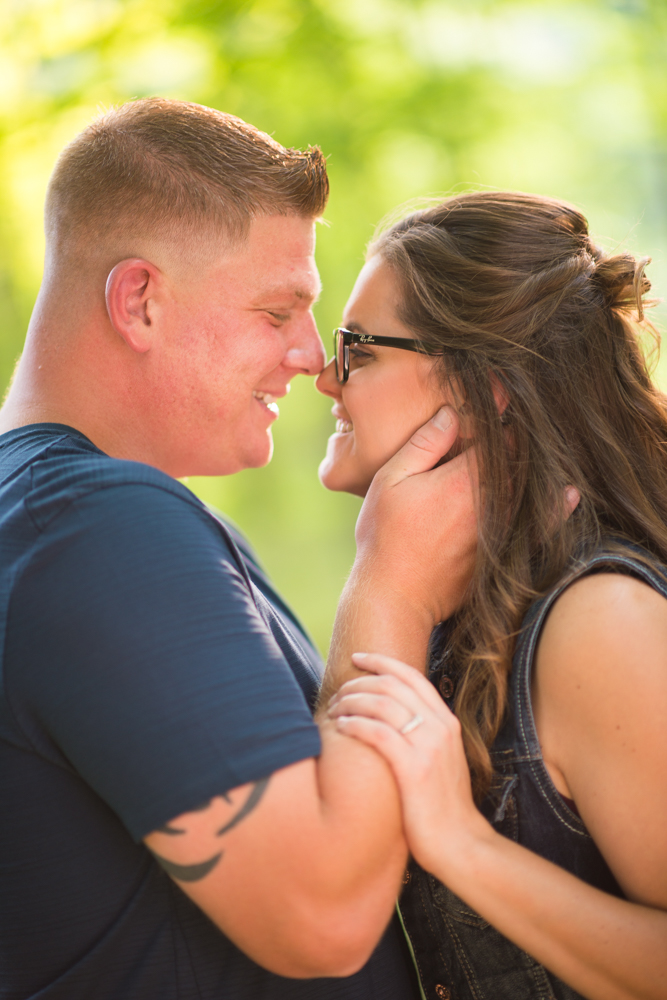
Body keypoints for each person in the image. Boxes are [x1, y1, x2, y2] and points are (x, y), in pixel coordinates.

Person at [0, 99, 479, 999]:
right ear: (139, 300)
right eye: (276, 311)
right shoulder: (93, 525)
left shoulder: (44, 512)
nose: (311, 355)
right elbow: (321, 919)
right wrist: (395, 581)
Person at [316, 191, 667, 1000]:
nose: (324, 378)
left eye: (358, 349)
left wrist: (461, 844)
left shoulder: (597, 623)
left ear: (487, 388)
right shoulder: (455, 611)